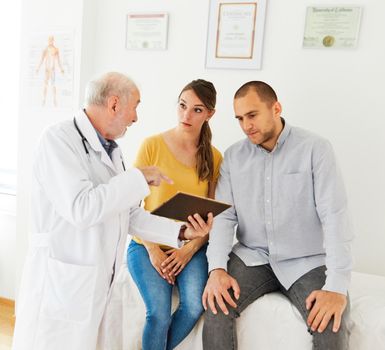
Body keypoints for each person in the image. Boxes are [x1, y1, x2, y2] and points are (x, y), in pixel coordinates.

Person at [12, 72, 212, 350]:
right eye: (136, 106)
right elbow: (82, 208)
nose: (136, 118)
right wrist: (137, 179)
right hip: (63, 282)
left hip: (97, 282)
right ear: (115, 104)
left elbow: (127, 214)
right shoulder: (58, 140)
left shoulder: (111, 151)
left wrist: (181, 231)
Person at [202, 81, 353, 350]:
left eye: (252, 115)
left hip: (307, 260)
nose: (246, 125)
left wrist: (337, 287)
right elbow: (224, 218)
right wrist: (217, 269)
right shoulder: (233, 157)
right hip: (253, 255)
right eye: (239, 118)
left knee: (330, 325)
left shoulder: (315, 149)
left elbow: (335, 216)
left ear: (276, 108)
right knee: (216, 305)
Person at [127, 79, 222, 350]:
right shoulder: (151, 146)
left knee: (193, 306)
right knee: (157, 314)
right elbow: (130, 209)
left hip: (189, 247)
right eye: (182, 106)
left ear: (210, 114)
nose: (186, 115)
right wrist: (154, 251)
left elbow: (211, 221)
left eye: (197, 110)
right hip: (146, 245)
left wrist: (187, 251)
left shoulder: (214, 158)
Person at [35, 35, 64, 107]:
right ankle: (43, 99)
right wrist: (38, 68)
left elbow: (58, 60)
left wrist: (61, 69)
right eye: (49, 40)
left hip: (52, 70)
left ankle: (54, 100)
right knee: (45, 85)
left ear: (53, 40)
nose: (50, 41)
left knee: (53, 85)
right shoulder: (45, 50)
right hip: (47, 70)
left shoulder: (56, 49)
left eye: (51, 40)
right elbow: (41, 60)